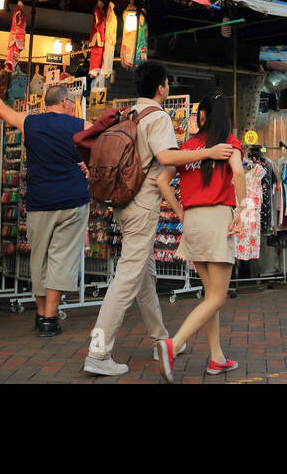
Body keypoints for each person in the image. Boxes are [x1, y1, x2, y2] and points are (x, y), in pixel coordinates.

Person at [83, 60, 234, 377]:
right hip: (141, 205)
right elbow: (166, 158)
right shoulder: (158, 117)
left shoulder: (130, 113)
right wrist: (207, 152)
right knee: (127, 277)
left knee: (144, 277)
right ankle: (98, 350)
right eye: (168, 83)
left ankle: (162, 340)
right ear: (162, 86)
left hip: (122, 203)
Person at [153, 93, 246, 381]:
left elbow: (160, 180)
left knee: (210, 296)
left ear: (202, 115)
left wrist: (181, 212)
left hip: (193, 220)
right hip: (218, 218)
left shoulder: (190, 146)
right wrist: (243, 210)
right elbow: (240, 175)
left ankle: (216, 357)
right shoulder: (229, 143)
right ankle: (173, 344)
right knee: (217, 297)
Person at [0, 85, 87, 337]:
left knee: (38, 258)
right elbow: (108, 139)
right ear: (65, 102)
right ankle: (50, 318)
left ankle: (42, 315)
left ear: (45, 103)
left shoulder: (30, 123)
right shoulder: (81, 125)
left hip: (40, 201)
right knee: (62, 258)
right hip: (73, 199)